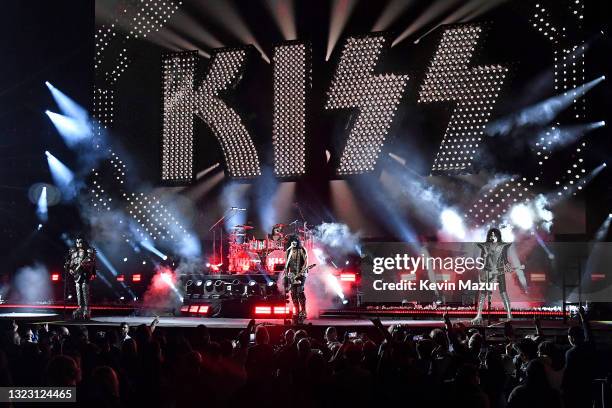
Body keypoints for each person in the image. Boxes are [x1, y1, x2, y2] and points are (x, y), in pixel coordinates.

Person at [472, 228, 522, 323]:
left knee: (503, 292)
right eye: (491, 235)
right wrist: (481, 269)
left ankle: (509, 315)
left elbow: (505, 259)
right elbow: (482, 260)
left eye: (495, 235)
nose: (493, 237)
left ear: (498, 236)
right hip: (488, 271)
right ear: (489, 236)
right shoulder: (485, 246)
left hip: (499, 271)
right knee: (483, 293)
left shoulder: (503, 246)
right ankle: (479, 315)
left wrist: (509, 268)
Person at [64, 237, 97, 320]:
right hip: (77, 275)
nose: (78, 243)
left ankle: (86, 308)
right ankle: (80, 307)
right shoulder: (73, 252)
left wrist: (91, 270)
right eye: (77, 242)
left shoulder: (88, 251)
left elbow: (92, 262)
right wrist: (70, 269)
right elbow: (70, 263)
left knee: (84, 289)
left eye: (80, 242)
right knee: (78, 289)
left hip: (85, 273)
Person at [284, 235, 309, 324]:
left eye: (295, 241)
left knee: (299, 292)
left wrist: (301, 273)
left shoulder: (302, 250)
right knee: (293, 294)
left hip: (301, 274)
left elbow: (306, 263)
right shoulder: (288, 251)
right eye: (292, 242)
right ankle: (297, 312)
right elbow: (286, 266)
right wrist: (287, 276)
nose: (293, 243)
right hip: (292, 275)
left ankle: (303, 312)